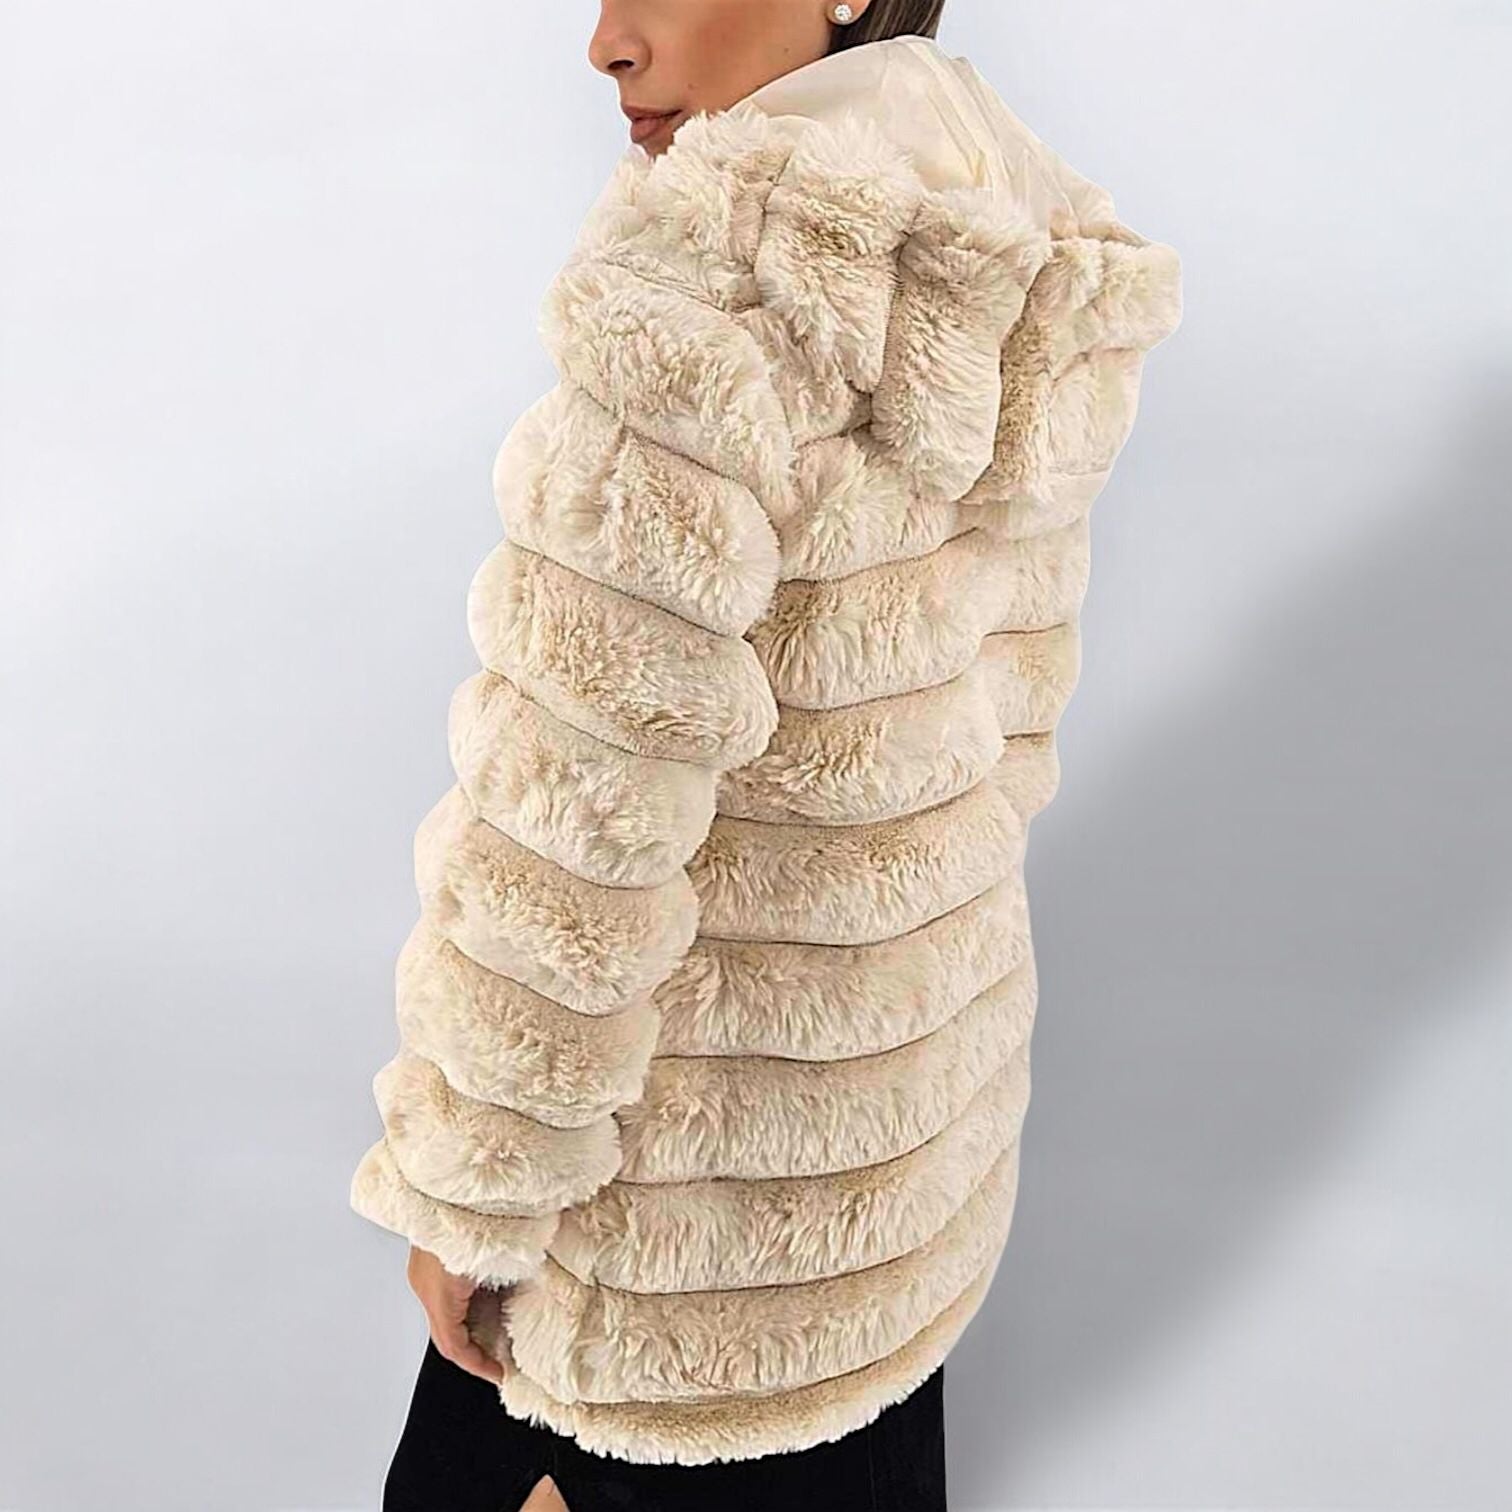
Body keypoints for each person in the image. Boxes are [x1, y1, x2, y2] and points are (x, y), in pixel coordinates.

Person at [351, 2, 1183, 1508]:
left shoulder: (702, 292)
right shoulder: (1009, 238)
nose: (607, 41)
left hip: (665, 1252)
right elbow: (1018, 723)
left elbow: (578, 817)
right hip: (894, 1199)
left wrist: (474, 1189)